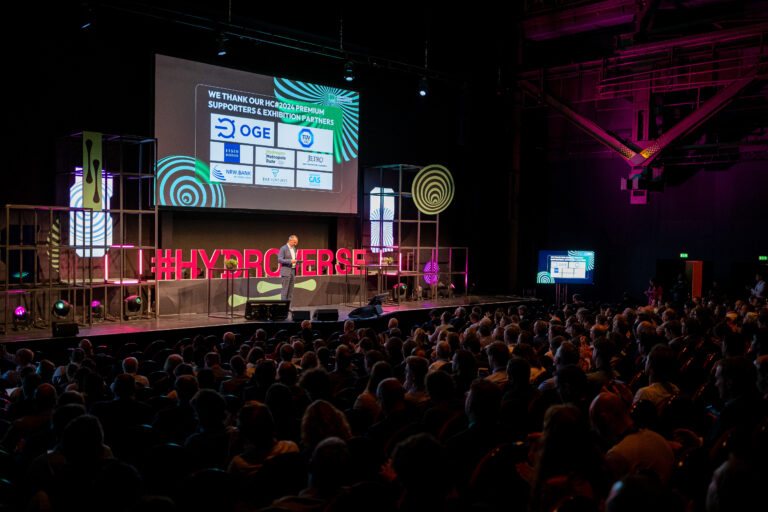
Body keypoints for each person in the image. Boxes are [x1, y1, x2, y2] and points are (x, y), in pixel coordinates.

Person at [278, 235, 299, 302]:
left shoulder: (294, 249)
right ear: (290, 240)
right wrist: (290, 261)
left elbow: (294, 259)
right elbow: (279, 259)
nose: (295, 244)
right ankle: (283, 306)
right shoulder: (283, 248)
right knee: (285, 291)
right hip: (286, 271)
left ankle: (288, 306)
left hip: (293, 271)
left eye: (296, 242)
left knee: (290, 292)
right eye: (294, 242)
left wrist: (296, 262)